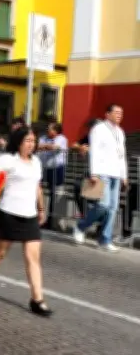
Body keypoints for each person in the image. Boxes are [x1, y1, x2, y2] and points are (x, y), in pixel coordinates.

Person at [0, 126, 52, 317]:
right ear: (18, 142)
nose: (31, 144)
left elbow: (37, 187)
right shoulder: (7, 160)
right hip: (9, 212)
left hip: (29, 215)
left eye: (33, 141)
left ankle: (37, 299)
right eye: (27, 141)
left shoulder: (36, 162)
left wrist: (41, 208)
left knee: (33, 257)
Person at [73, 104, 126, 252]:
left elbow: (122, 154)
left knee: (113, 208)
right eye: (116, 112)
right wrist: (94, 172)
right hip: (102, 172)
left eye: (121, 113)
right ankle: (81, 226)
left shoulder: (120, 132)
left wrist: (124, 175)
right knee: (103, 204)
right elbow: (94, 150)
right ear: (107, 114)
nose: (119, 115)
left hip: (115, 173)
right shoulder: (99, 129)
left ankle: (105, 239)